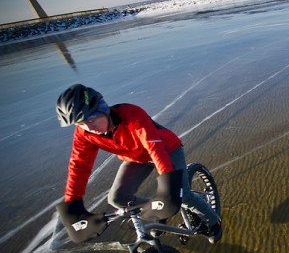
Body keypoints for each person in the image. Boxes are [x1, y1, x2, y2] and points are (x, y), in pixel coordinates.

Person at [55, 84, 222, 243]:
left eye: (91, 119)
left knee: (182, 195)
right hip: (137, 159)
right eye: (80, 123)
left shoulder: (131, 113)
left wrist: (168, 186)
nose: (89, 127)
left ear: (102, 108)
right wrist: (73, 203)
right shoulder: (84, 134)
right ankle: (157, 214)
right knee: (117, 198)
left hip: (167, 150)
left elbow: (154, 146)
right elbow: (79, 166)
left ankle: (214, 222)